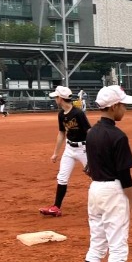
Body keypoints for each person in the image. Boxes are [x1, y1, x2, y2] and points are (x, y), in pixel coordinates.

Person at [79, 85, 132, 262]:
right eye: (124, 105)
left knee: (96, 244)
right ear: (114, 106)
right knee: (117, 248)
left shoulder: (92, 132)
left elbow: (89, 167)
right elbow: (125, 176)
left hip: (95, 190)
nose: (125, 109)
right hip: (113, 191)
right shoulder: (118, 135)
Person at [39, 85, 91, 217]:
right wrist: (56, 153)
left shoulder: (78, 113)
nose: (55, 99)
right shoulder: (61, 114)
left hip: (83, 148)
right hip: (69, 149)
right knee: (62, 177)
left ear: (61, 99)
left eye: (56, 97)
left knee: (96, 176)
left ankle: (108, 203)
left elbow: (89, 132)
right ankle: (56, 207)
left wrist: (92, 153)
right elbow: (61, 133)